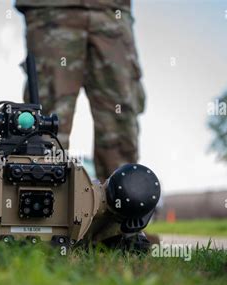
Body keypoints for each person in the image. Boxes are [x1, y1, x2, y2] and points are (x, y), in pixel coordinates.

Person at [15, 0, 145, 183]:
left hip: (111, 11)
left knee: (120, 121)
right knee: (45, 126)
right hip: (52, 10)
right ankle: (43, 202)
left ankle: (123, 203)